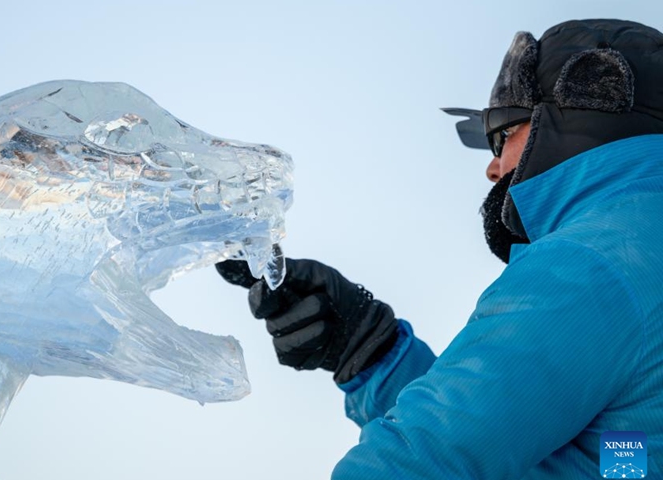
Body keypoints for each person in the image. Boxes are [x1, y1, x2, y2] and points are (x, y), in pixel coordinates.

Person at [216, 19, 663, 478]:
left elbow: (418, 461)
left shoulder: (591, 266)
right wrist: (370, 349)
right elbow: (573, 463)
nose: (493, 167)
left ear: (576, 115)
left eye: (502, 133)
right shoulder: (641, 255)